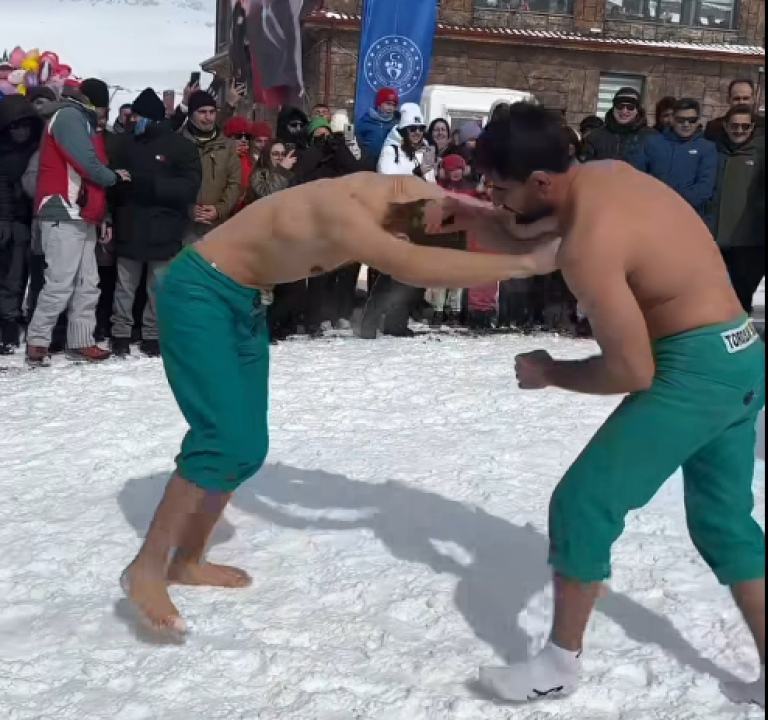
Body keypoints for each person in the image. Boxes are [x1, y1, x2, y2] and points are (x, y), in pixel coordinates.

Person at [120, 172, 562, 637]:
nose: (431, 232)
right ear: (410, 207)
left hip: (244, 300)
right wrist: (528, 263)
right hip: (199, 292)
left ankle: (187, 561)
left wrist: (545, 228)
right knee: (219, 438)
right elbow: (412, 265)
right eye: (430, 225)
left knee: (246, 446)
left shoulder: (407, 197)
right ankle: (145, 570)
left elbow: (467, 213)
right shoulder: (345, 209)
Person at [473, 103, 765, 708]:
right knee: (726, 525)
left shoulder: (588, 244)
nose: (494, 199)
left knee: (582, 503)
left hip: (693, 373)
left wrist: (551, 371)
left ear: (542, 182)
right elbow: (538, 227)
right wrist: (476, 216)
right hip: (741, 354)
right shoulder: (609, 174)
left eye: (500, 189)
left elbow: (633, 370)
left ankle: (557, 665)